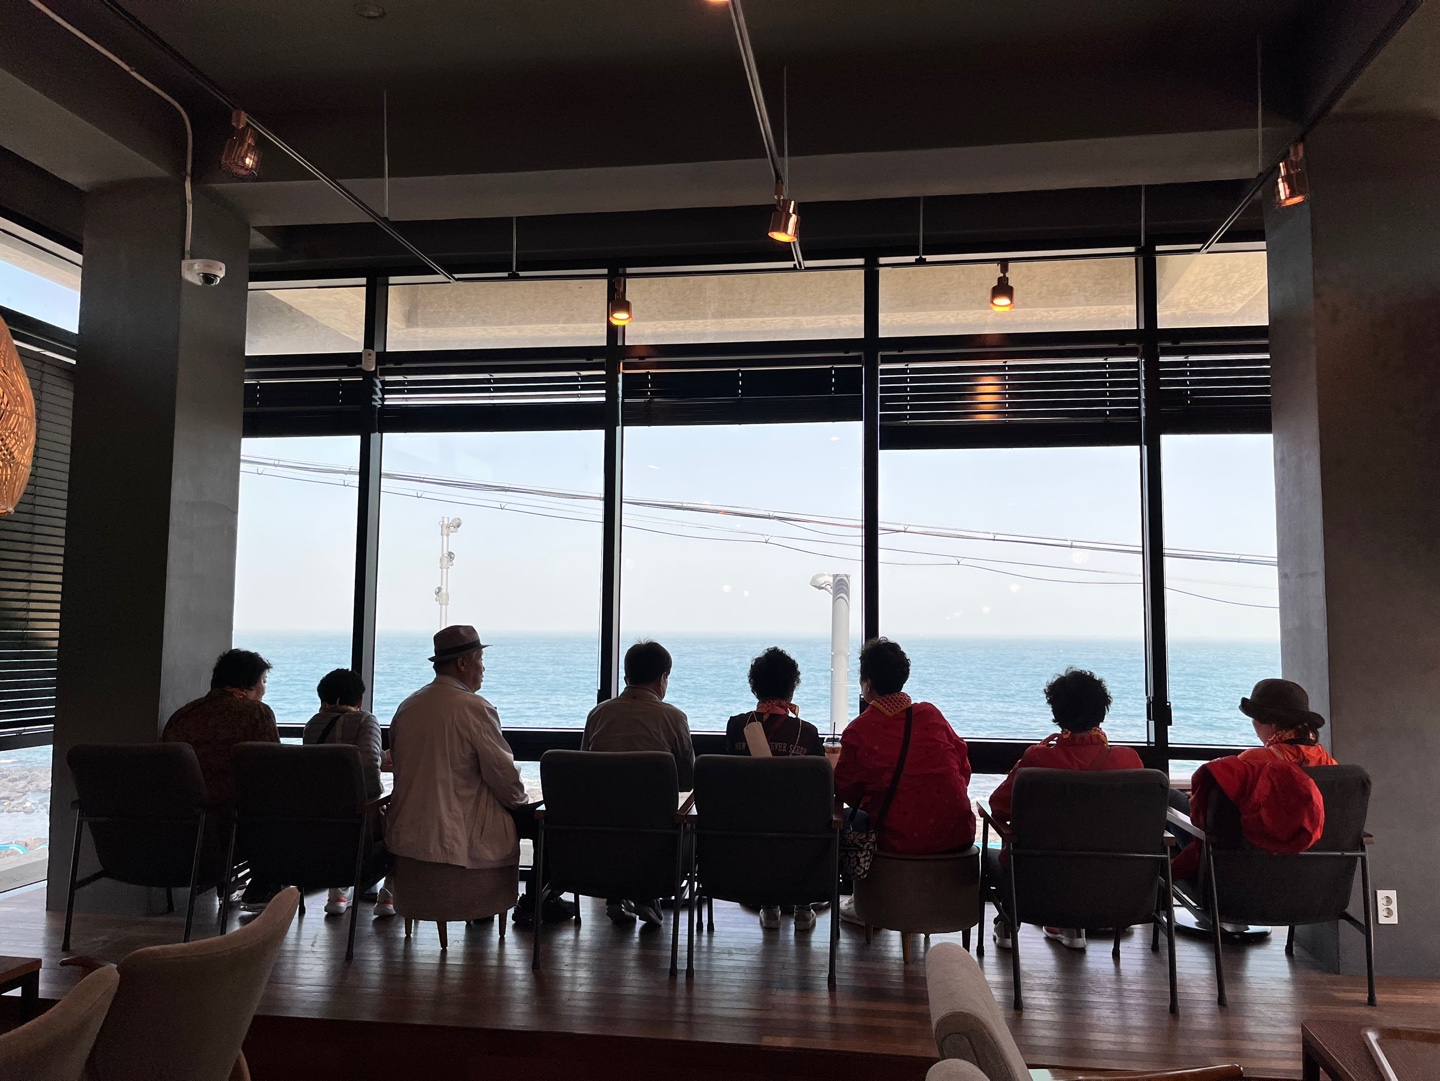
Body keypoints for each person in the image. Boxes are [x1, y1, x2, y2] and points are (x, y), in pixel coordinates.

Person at [386, 626, 572, 931]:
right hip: (458, 830)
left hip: (410, 832)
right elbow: (505, 778)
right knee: (545, 822)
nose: (483, 668)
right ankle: (537, 903)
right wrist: (521, 801)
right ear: (463, 663)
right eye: (480, 660)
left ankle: (504, 908)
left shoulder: (408, 706)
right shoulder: (474, 708)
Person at [986, 667, 1145, 951]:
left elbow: (998, 806)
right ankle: (1072, 927)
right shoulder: (1128, 761)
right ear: (1101, 711)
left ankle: (1008, 924)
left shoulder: (1038, 759)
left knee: (991, 857)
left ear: (1057, 712)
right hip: (1112, 883)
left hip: (1038, 882)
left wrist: (1027, 761)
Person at [834, 638, 975, 926]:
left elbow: (846, 789)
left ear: (867, 685)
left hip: (898, 841)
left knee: (850, 819)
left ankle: (869, 902)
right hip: (956, 835)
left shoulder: (859, 730)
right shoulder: (931, 715)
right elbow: (963, 768)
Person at [1169, 678, 1335, 890]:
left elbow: (1211, 816)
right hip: (1311, 882)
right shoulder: (1330, 765)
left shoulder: (1252, 762)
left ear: (1271, 723)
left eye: (1254, 718)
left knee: (1170, 798)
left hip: (1239, 878)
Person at [583, 640, 694, 926]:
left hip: (600, 834)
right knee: (680, 824)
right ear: (662, 679)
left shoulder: (598, 714)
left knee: (619, 817)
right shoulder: (673, 718)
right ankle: (647, 895)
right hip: (656, 837)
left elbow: (584, 770)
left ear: (626, 677)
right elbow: (687, 779)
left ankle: (617, 895)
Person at [161, 648, 281, 911]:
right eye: (263, 681)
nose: (264, 689)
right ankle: (264, 887)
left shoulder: (181, 716)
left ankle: (232, 883)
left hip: (176, 833)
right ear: (249, 684)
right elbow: (271, 771)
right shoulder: (255, 713)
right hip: (232, 831)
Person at [724, 646, 825, 932]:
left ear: (755, 687)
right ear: (791, 689)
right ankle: (803, 906)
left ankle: (769, 906)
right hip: (797, 839)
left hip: (744, 835)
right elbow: (820, 790)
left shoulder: (736, 726)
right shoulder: (807, 732)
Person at [302, 668, 389, 917]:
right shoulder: (365, 720)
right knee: (399, 819)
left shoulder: (312, 724)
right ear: (359, 700)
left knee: (341, 827)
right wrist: (379, 804)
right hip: (359, 823)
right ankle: (388, 897)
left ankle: (338, 893)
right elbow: (367, 765)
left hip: (320, 820)